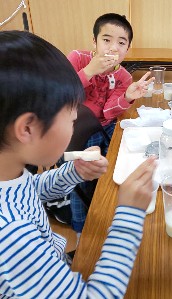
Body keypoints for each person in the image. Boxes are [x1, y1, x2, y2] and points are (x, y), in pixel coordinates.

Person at [0, 30, 157, 298]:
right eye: (71, 117)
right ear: (26, 128)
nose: (76, 120)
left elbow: (29, 191)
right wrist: (129, 215)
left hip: (51, 265)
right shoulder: (13, 235)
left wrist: (72, 172)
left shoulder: (10, 175)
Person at [67, 13, 153, 234]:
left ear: (127, 48)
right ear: (94, 41)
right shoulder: (78, 59)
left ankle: (107, 214)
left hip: (104, 127)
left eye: (121, 43)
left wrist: (127, 97)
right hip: (72, 131)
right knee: (80, 179)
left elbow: (107, 113)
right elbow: (60, 94)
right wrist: (89, 72)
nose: (113, 48)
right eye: (106, 40)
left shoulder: (124, 76)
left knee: (116, 166)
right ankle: (80, 231)